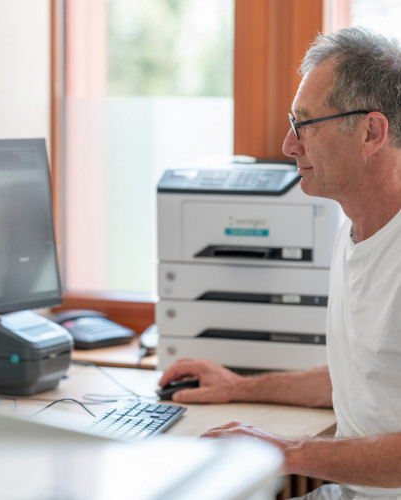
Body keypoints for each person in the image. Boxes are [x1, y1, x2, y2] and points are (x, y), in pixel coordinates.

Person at [159, 26, 401, 500]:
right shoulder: (353, 231)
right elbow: (367, 375)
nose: (290, 144)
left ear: (371, 132)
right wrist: (237, 388)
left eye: (306, 124)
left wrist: (285, 450)